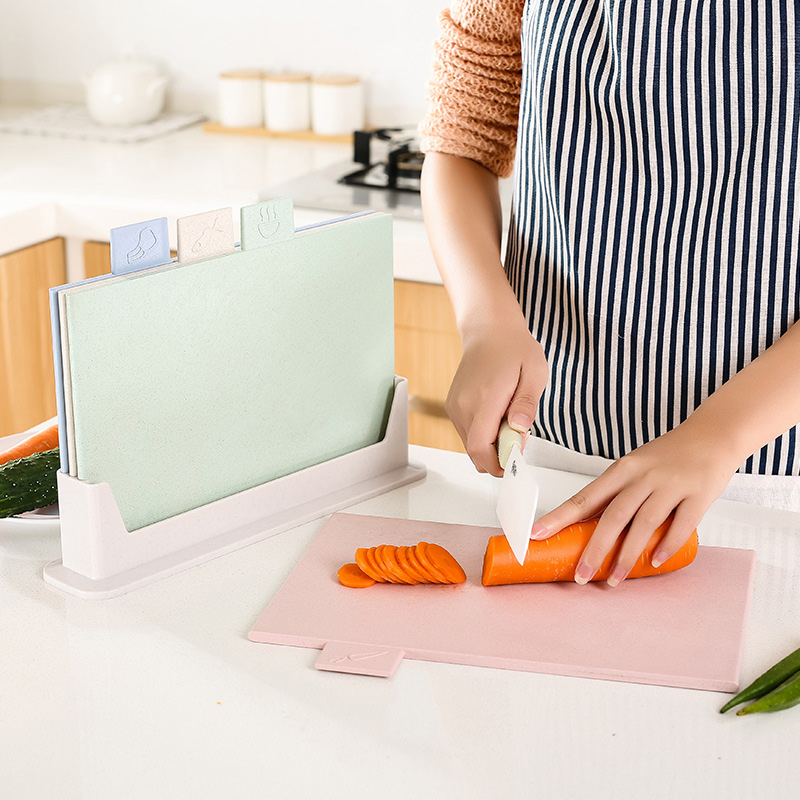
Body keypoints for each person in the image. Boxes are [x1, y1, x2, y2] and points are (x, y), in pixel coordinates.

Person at [419, 0, 800, 586]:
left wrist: (718, 436)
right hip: (551, 450)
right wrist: (484, 319)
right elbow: (460, 141)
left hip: (764, 481)